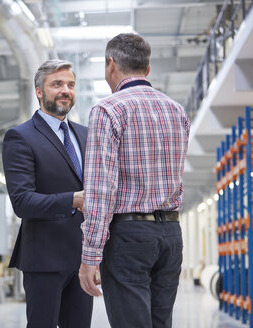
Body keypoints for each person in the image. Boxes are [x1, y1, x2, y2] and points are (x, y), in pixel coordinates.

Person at [78, 33, 190, 328]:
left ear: (110, 65)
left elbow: (102, 190)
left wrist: (90, 255)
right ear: (147, 70)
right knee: (160, 322)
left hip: (128, 236)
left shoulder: (108, 110)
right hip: (171, 234)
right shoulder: (177, 111)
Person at [2, 59, 93, 328]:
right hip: (43, 259)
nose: (65, 90)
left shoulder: (86, 135)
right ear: (39, 91)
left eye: (70, 84)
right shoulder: (21, 137)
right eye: (57, 84)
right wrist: (73, 199)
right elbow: (22, 202)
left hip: (82, 260)